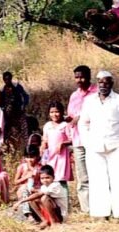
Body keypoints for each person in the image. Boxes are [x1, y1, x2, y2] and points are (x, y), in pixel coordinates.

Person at [78, 70, 119, 219]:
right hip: (94, 146)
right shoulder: (89, 101)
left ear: (111, 83)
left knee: (117, 179)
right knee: (98, 179)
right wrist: (87, 143)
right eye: (100, 82)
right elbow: (83, 123)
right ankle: (102, 213)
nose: (103, 85)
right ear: (97, 83)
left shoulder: (117, 100)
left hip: (116, 146)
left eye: (106, 82)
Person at [67, 65, 97, 214]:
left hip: (95, 140)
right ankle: (87, 210)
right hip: (78, 141)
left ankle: (102, 206)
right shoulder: (74, 96)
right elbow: (71, 116)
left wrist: (81, 117)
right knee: (83, 177)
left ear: (89, 76)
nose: (79, 80)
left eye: (82, 77)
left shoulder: (97, 92)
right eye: (76, 77)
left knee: (98, 174)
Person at [13, 165, 67, 229]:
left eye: (47, 177)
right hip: (52, 212)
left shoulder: (55, 185)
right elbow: (37, 195)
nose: (45, 180)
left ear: (53, 177)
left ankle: (54, 222)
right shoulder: (44, 187)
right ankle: (45, 221)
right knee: (32, 200)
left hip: (60, 215)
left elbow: (39, 194)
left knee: (44, 198)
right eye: (42, 178)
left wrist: (21, 201)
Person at [42, 100, 73, 205]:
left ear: (61, 112)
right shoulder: (47, 126)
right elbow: (45, 139)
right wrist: (42, 146)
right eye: (51, 112)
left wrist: (63, 144)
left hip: (61, 157)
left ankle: (64, 203)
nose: (54, 114)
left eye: (57, 112)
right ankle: (52, 203)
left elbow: (71, 139)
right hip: (50, 156)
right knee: (50, 178)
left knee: (60, 179)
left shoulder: (65, 125)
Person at [0, 71, 30, 153]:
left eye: (8, 79)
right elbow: (1, 103)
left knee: (24, 130)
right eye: (5, 79)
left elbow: (25, 96)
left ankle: (27, 148)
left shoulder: (17, 86)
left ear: (11, 78)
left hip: (19, 112)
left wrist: (23, 106)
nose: (7, 80)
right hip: (9, 115)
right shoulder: (2, 90)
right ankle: (8, 148)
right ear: (3, 80)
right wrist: (3, 110)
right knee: (6, 131)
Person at [13, 144, 42, 222]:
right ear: (24, 157)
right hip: (24, 190)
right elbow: (15, 182)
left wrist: (32, 170)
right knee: (24, 189)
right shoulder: (22, 167)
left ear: (37, 156)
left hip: (35, 189)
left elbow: (41, 180)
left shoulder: (40, 167)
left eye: (32, 157)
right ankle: (28, 214)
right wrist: (26, 177)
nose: (29, 160)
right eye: (27, 157)